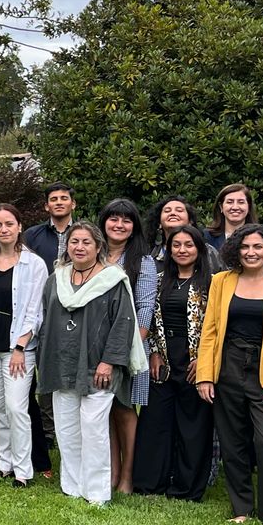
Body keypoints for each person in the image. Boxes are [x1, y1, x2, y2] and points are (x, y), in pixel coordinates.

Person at [196, 223, 263, 525]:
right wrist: (205, 375)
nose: (251, 252)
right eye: (245, 247)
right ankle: (241, 508)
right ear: (235, 250)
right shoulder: (222, 281)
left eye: (258, 247)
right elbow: (210, 331)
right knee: (232, 441)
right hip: (228, 366)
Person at [33, 221, 142, 506]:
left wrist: (109, 361)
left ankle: (96, 493)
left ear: (98, 247)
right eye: (74, 242)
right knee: (67, 430)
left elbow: (123, 323)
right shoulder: (57, 278)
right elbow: (45, 320)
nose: (79, 247)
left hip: (97, 366)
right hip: (63, 363)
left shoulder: (112, 279)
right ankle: (72, 486)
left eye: (86, 242)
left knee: (93, 430)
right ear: (67, 246)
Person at [135, 223, 214, 500]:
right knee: (154, 423)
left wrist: (204, 360)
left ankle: (186, 488)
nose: (182, 250)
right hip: (164, 358)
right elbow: (151, 320)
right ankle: (150, 483)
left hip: (195, 361)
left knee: (192, 427)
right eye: (176, 245)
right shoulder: (158, 279)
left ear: (199, 249)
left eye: (188, 245)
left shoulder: (211, 283)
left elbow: (216, 326)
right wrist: (154, 350)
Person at [0, 204, 49, 486]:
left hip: (18, 347)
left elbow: (35, 310)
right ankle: (5, 463)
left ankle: (23, 469)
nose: (3, 230)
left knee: (17, 407)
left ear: (19, 226)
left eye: (9, 224)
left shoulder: (34, 264)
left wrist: (20, 347)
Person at [100, 198, 157, 496]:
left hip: (130, 347)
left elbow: (145, 308)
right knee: (104, 408)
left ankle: (127, 475)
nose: (119, 225)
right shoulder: (93, 255)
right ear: (104, 222)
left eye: (126, 220)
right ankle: (111, 470)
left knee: (124, 408)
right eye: (114, 219)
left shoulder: (142, 261)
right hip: (96, 346)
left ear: (134, 226)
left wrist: (126, 348)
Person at [23, 183, 75, 267]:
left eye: (64, 198)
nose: (59, 203)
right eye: (54, 199)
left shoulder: (85, 234)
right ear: (47, 206)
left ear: (73, 204)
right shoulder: (31, 235)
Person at [206, 183, 254, 252]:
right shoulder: (206, 237)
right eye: (229, 202)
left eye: (241, 202)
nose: (235, 207)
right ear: (221, 207)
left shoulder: (260, 237)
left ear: (248, 206)